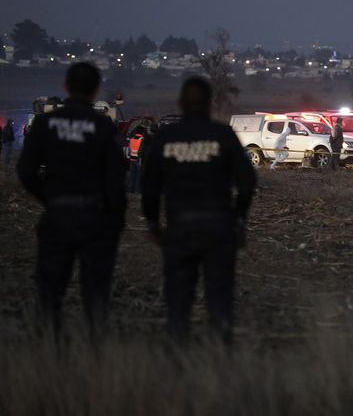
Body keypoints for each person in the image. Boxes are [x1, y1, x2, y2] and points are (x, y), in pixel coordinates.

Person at [142, 76, 256, 345]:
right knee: (220, 301)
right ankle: (219, 361)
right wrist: (239, 217)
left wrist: (152, 223)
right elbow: (247, 182)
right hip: (219, 228)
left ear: (181, 103)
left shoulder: (166, 137)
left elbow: (149, 187)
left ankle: (177, 363)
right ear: (209, 103)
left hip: (179, 228)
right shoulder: (223, 135)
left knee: (178, 303)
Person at [16, 62, 126, 336]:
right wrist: (114, 217)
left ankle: (48, 350)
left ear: (66, 86)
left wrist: (50, 198)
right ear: (96, 90)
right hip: (94, 216)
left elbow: (26, 170)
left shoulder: (45, 123)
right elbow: (116, 177)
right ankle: (94, 352)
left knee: (50, 292)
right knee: (95, 294)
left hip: (58, 214)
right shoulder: (102, 126)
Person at [127, 126, 146, 193]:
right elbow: (142, 150)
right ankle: (137, 191)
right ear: (142, 132)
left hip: (132, 159)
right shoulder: (142, 139)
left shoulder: (132, 139)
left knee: (132, 176)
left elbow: (129, 150)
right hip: (139, 159)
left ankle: (131, 190)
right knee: (138, 177)